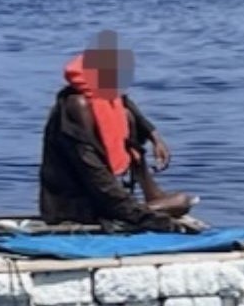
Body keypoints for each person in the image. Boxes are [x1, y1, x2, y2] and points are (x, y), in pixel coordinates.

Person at [38, 30, 196, 232]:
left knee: (128, 119)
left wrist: (154, 136)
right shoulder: (76, 107)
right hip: (73, 207)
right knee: (178, 203)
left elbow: (128, 106)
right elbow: (94, 174)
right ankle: (144, 207)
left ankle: (151, 197)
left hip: (104, 200)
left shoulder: (108, 99)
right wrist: (140, 215)